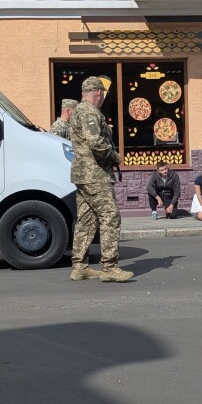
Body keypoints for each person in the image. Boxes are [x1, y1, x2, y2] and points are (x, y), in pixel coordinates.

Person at [69, 76, 133, 283]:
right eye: (103, 93)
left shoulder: (78, 110)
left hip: (83, 174)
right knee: (110, 216)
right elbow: (95, 141)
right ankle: (110, 267)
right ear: (99, 92)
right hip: (94, 174)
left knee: (86, 220)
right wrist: (114, 156)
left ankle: (79, 267)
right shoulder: (89, 112)